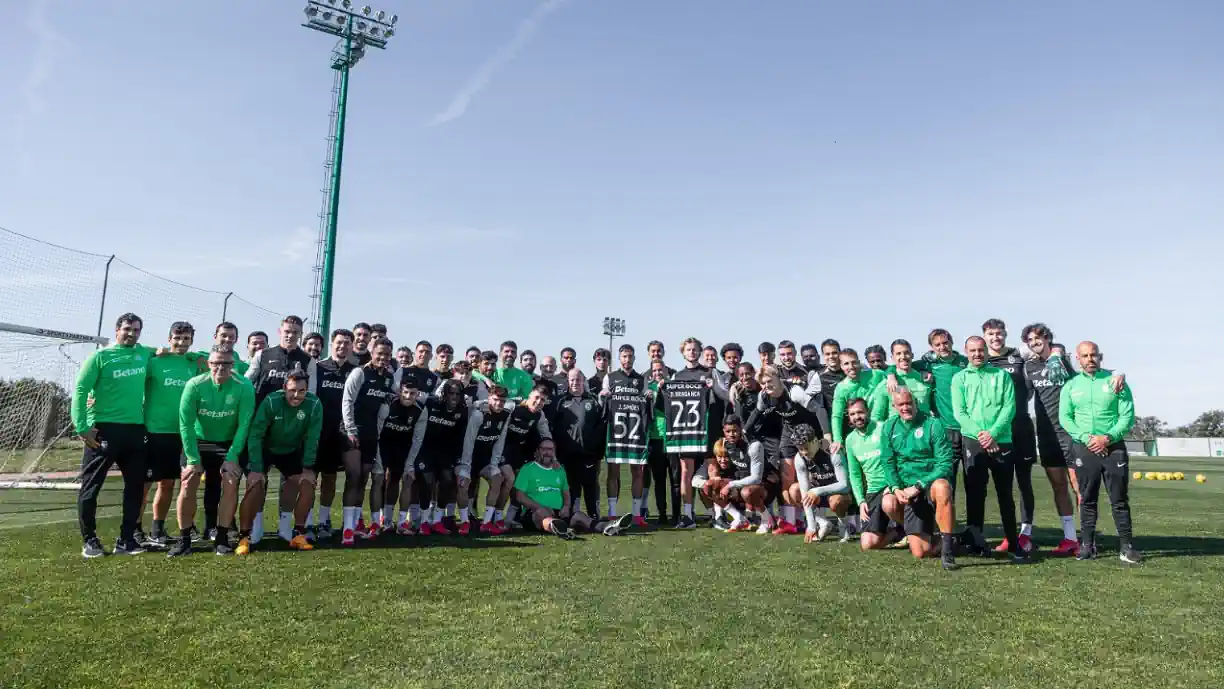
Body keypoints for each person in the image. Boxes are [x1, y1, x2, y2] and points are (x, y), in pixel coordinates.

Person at [1023, 323, 1125, 557]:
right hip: (1047, 434)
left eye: (1039, 338)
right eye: (1031, 340)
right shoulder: (1029, 367)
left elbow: (1093, 371)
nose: (1035, 343)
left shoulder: (1066, 360)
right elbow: (1027, 393)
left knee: (1080, 487)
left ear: (1048, 339)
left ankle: (1087, 539)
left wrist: (1118, 374)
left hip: (1071, 433)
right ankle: (1069, 538)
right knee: (1058, 486)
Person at [72, 313, 159, 558]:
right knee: (91, 486)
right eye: (128, 329)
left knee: (135, 487)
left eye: (136, 330)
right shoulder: (101, 357)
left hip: (135, 430)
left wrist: (199, 357)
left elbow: (169, 350)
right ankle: (90, 540)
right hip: (104, 430)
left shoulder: (143, 353)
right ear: (117, 329)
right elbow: (80, 389)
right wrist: (82, 426)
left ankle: (126, 540)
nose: (132, 333)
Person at [169, 346, 256, 556]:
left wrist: (233, 457)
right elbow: (185, 425)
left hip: (228, 443)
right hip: (198, 441)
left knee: (231, 480)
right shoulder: (195, 385)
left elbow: (244, 425)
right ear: (208, 364)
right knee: (188, 480)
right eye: (216, 363)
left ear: (233, 366)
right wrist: (192, 459)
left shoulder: (244, 386)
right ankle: (184, 539)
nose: (220, 368)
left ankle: (223, 538)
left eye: (226, 364)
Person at [1060, 341, 1140, 564]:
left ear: (1100, 356)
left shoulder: (1116, 382)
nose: (1090, 359)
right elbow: (1065, 418)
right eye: (1085, 356)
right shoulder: (1071, 386)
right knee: (1087, 499)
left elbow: (1127, 416)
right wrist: (1087, 438)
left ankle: (1126, 547)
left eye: (1093, 355)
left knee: (1119, 499)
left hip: (1113, 448)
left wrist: (1108, 438)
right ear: (1078, 359)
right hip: (1084, 448)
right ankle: (1087, 545)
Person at [952, 336, 1027, 562]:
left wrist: (992, 434)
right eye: (972, 350)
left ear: (986, 351)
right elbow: (960, 413)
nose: (977, 354)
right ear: (966, 352)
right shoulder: (959, 378)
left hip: (1001, 440)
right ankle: (976, 542)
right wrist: (981, 435)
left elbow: (1009, 407)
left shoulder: (1001, 375)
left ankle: (1013, 543)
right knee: (975, 494)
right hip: (973, 441)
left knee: (1005, 494)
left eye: (980, 350)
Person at [245, 314, 318, 542]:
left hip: (292, 432)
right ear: (280, 331)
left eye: (295, 332)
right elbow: (246, 382)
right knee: (258, 479)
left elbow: (312, 394)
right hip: (264, 429)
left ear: (300, 334)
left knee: (292, 480)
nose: (290, 335)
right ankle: (256, 525)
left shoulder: (308, 360)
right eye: (287, 331)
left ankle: (285, 525)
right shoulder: (263, 355)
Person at [237, 371, 323, 554]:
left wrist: (308, 467)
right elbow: (255, 435)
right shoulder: (271, 401)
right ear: (284, 388)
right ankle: (245, 536)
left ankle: (296, 532)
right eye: (292, 390)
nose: (297, 395)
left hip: (290, 450)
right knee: (256, 484)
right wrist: (256, 467)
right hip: (264, 448)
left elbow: (312, 438)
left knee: (307, 482)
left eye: (302, 391)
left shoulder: (314, 404)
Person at [140, 321, 203, 549]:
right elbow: (136, 361)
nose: (181, 343)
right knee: (144, 484)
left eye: (186, 339)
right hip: (154, 431)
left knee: (168, 483)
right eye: (177, 338)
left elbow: (216, 357)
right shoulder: (155, 361)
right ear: (169, 339)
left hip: (183, 433)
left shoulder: (193, 364)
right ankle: (135, 529)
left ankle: (158, 529)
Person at [880, 388, 958, 570]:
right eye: (901, 405)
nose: (906, 407)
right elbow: (887, 461)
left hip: (928, 485)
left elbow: (945, 463)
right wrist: (895, 487)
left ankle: (947, 551)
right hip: (907, 488)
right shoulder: (889, 427)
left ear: (916, 403)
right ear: (894, 407)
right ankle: (931, 535)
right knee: (920, 551)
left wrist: (920, 485)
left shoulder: (933, 424)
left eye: (909, 403)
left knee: (943, 487)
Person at [981, 319, 1036, 554]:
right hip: (997, 431)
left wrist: (1055, 352)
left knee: (1024, 482)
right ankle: (1004, 534)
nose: (996, 337)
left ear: (1005, 334)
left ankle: (1025, 534)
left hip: (1021, 426)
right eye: (991, 334)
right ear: (984, 336)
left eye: (999, 333)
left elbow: (1049, 345)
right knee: (1001, 486)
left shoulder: (1018, 354)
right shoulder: (980, 359)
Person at [339, 337, 396, 545]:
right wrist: (351, 430)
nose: (383, 357)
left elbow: (394, 397)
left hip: (372, 434)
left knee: (363, 479)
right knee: (353, 477)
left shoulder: (389, 378)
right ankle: (346, 529)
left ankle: (355, 526)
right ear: (372, 352)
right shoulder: (359, 372)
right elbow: (347, 401)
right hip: (352, 432)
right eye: (380, 353)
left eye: (387, 354)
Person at [513, 439, 633, 538]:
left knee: (579, 516)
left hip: (558, 512)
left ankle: (608, 527)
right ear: (538, 451)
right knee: (541, 516)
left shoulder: (559, 470)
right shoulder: (528, 469)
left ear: (554, 452)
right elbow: (519, 496)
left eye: (550, 449)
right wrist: (538, 507)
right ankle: (556, 527)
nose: (547, 452)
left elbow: (566, 493)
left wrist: (566, 506)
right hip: (534, 512)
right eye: (544, 449)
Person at [406, 379, 471, 534]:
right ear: (445, 393)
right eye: (451, 393)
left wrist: (458, 461)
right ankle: (423, 522)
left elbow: (460, 437)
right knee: (427, 484)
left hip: (446, 453)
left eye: (458, 393)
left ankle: (437, 521)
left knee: (447, 484)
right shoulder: (431, 403)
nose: (454, 396)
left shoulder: (462, 411)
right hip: (425, 450)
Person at [312, 329, 356, 540]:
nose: (342, 346)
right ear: (332, 344)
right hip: (317, 432)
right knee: (310, 478)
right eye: (339, 342)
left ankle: (323, 520)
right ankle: (307, 522)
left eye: (347, 343)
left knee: (329, 479)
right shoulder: (318, 367)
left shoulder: (355, 371)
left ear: (352, 346)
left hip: (338, 434)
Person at [843, 398, 903, 551]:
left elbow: (900, 457)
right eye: (853, 414)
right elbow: (855, 474)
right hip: (873, 491)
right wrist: (861, 501)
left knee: (889, 503)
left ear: (867, 412)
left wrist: (895, 484)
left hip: (892, 485)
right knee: (867, 544)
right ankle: (898, 532)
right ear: (848, 417)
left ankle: (916, 529)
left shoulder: (883, 428)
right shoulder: (850, 440)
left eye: (860, 412)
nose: (857, 417)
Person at [601, 345, 649, 526]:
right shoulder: (610, 377)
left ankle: (637, 514)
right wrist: (604, 395)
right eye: (624, 356)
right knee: (613, 471)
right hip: (616, 432)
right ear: (619, 358)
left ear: (634, 358)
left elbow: (646, 398)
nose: (627, 359)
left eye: (630, 356)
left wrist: (649, 395)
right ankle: (613, 512)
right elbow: (603, 398)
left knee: (637, 471)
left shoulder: (640, 379)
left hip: (636, 432)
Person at [700, 417, 773, 533]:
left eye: (735, 431)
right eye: (728, 431)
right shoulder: (724, 443)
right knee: (708, 486)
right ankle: (739, 518)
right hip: (740, 484)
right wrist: (717, 478)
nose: (731, 434)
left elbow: (756, 478)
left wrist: (730, 485)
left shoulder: (754, 446)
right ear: (723, 431)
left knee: (747, 492)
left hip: (762, 486)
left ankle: (767, 519)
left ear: (741, 429)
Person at [458, 384, 512, 534]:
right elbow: (468, 442)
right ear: (489, 398)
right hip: (467, 458)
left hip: (484, 461)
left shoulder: (505, 415)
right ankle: (464, 521)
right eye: (495, 400)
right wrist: (465, 468)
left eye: (502, 401)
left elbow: (500, 440)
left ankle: (487, 522)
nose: (499, 404)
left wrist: (494, 464)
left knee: (497, 478)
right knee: (463, 483)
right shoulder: (478, 414)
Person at [498, 384, 553, 528]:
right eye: (536, 398)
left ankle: (510, 519)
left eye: (542, 400)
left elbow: (546, 434)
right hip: (501, 449)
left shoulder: (539, 415)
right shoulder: (513, 407)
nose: (538, 402)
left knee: (520, 485)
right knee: (508, 479)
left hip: (519, 451)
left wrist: (551, 453)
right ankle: (495, 517)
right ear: (529, 396)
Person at [555, 369, 605, 519]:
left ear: (583, 381)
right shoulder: (561, 401)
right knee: (571, 486)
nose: (575, 383)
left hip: (589, 454)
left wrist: (598, 451)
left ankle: (593, 514)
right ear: (568, 382)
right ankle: (572, 513)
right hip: (567, 454)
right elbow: (555, 427)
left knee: (590, 485)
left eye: (578, 380)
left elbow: (601, 426)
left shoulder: (594, 400)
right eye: (572, 380)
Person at [788, 423, 850, 543]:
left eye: (806, 447)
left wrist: (817, 491)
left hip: (839, 494)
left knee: (836, 500)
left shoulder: (833, 452)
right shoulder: (799, 458)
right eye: (800, 449)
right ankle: (823, 523)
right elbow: (804, 492)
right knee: (794, 490)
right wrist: (811, 527)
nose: (804, 452)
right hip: (817, 496)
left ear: (815, 441)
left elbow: (845, 485)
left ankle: (843, 527)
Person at [380, 371, 425, 534]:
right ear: (400, 391)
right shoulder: (389, 403)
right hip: (384, 445)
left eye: (412, 393)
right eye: (405, 392)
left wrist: (410, 463)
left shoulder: (420, 410)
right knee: (381, 480)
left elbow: (418, 439)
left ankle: (400, 523)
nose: (408, 396)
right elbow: (379, 428)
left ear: (418, 394)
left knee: (404, 480)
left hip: (403, 448)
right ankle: (383, 520)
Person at [828, 349, 883, 458]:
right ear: (841, 366)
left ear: (859, 362)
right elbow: (836, 416)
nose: (851, 366)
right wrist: (838, 440)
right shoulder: (841, 388)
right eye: (846, 364)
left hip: (880, 428)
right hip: (860, 431)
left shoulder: (875, 375)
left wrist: (891, 376)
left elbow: (893, 371)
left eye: (854, 362)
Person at [873, 339, 934, 421]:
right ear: (892, 358)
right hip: (897, 431)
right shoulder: (887, 383)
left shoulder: (925, 379)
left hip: (924, 430)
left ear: (912, 355)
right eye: (898, 354)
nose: (903, 357)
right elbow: (876, 417)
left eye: (906, 353)